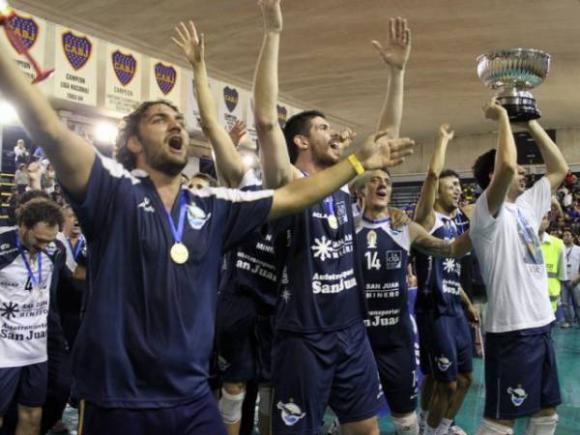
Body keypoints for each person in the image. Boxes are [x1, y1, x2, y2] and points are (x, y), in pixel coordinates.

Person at [0, 28, 413, 434]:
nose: (176, 125)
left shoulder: (213, 205)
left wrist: (358, 163)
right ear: (134, 144)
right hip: (120, 399)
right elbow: (49, 129)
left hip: (193, 398)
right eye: (160, 119)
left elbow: (292, 196)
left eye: (180, 120)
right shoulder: (112, 191)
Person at [252, 1, 412, 433]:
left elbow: (384, 142)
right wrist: (273, 32)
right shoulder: (288, 182)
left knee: (366, 429)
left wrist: (396, 73)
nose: (334, 133)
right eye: (323, 128)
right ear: (301, 141)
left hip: (351, 330)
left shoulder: (343, 185)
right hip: (303, 335)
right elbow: (266, 121)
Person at [174, 23, 278, 434]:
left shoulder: (298, 191)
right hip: (236, 301)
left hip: (277, 307)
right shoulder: (245, 184)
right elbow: (211, 125)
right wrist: (199, 68)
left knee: (270, 390)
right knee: (233, 390)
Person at [470, 99, 568, 435]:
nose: (524, 173)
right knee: (501, 421)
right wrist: (502, 118)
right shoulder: (486, 212)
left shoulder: (525, 206)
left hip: (541, 324)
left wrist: (531, 125)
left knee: (546, 413)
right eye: (520, 171)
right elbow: (509, 166)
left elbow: (559, 169)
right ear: (492, 176)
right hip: (512, 330)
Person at [350, 169, 472, 435]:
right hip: (357, 339)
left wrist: (484, 228)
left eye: (387, 181)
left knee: (406, 422)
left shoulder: (405, 228)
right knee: (357, 419)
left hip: (396, 340)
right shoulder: (346, 226)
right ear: (358, 190)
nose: (382, 184)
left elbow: (450, 249)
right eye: (374, 180)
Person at [413, 124, 477, 435]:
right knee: (446, 382)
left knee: (465, 379)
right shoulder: (427, 220)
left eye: (459, 186)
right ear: (437, 191)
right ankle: (430, 430)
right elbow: (431, 175)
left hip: (455, 310)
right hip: (434, 311)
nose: (457, 189)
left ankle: (437, 426)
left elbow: (450, 273)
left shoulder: (458, 223)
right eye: (451, 185)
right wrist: (441, 141)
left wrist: (467, 303)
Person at [0, 198, 64, 435]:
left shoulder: (56, 250)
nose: (45, 246)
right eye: (39, 239)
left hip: (36, 350)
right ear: (23, 227)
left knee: (32, 413)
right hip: (4, 350)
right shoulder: (3, 247)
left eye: (50, 240)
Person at [538, 215, 567, 313]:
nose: (540, 221)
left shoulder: (558, 244)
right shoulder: (520, 243)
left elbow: (562, 276)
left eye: (543, 218)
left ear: (548, 222)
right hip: (526, 305)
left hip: (550, 306)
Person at [561, 228, 580, 327]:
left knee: (578, 303)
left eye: (568, 235)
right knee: (564, 303)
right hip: (563, 280)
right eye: (564, 235)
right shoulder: (560, 249)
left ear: (573, 237)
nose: (565, 237)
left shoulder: (578, 249)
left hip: (576, 280)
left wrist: (578, 278)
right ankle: (568, 321)